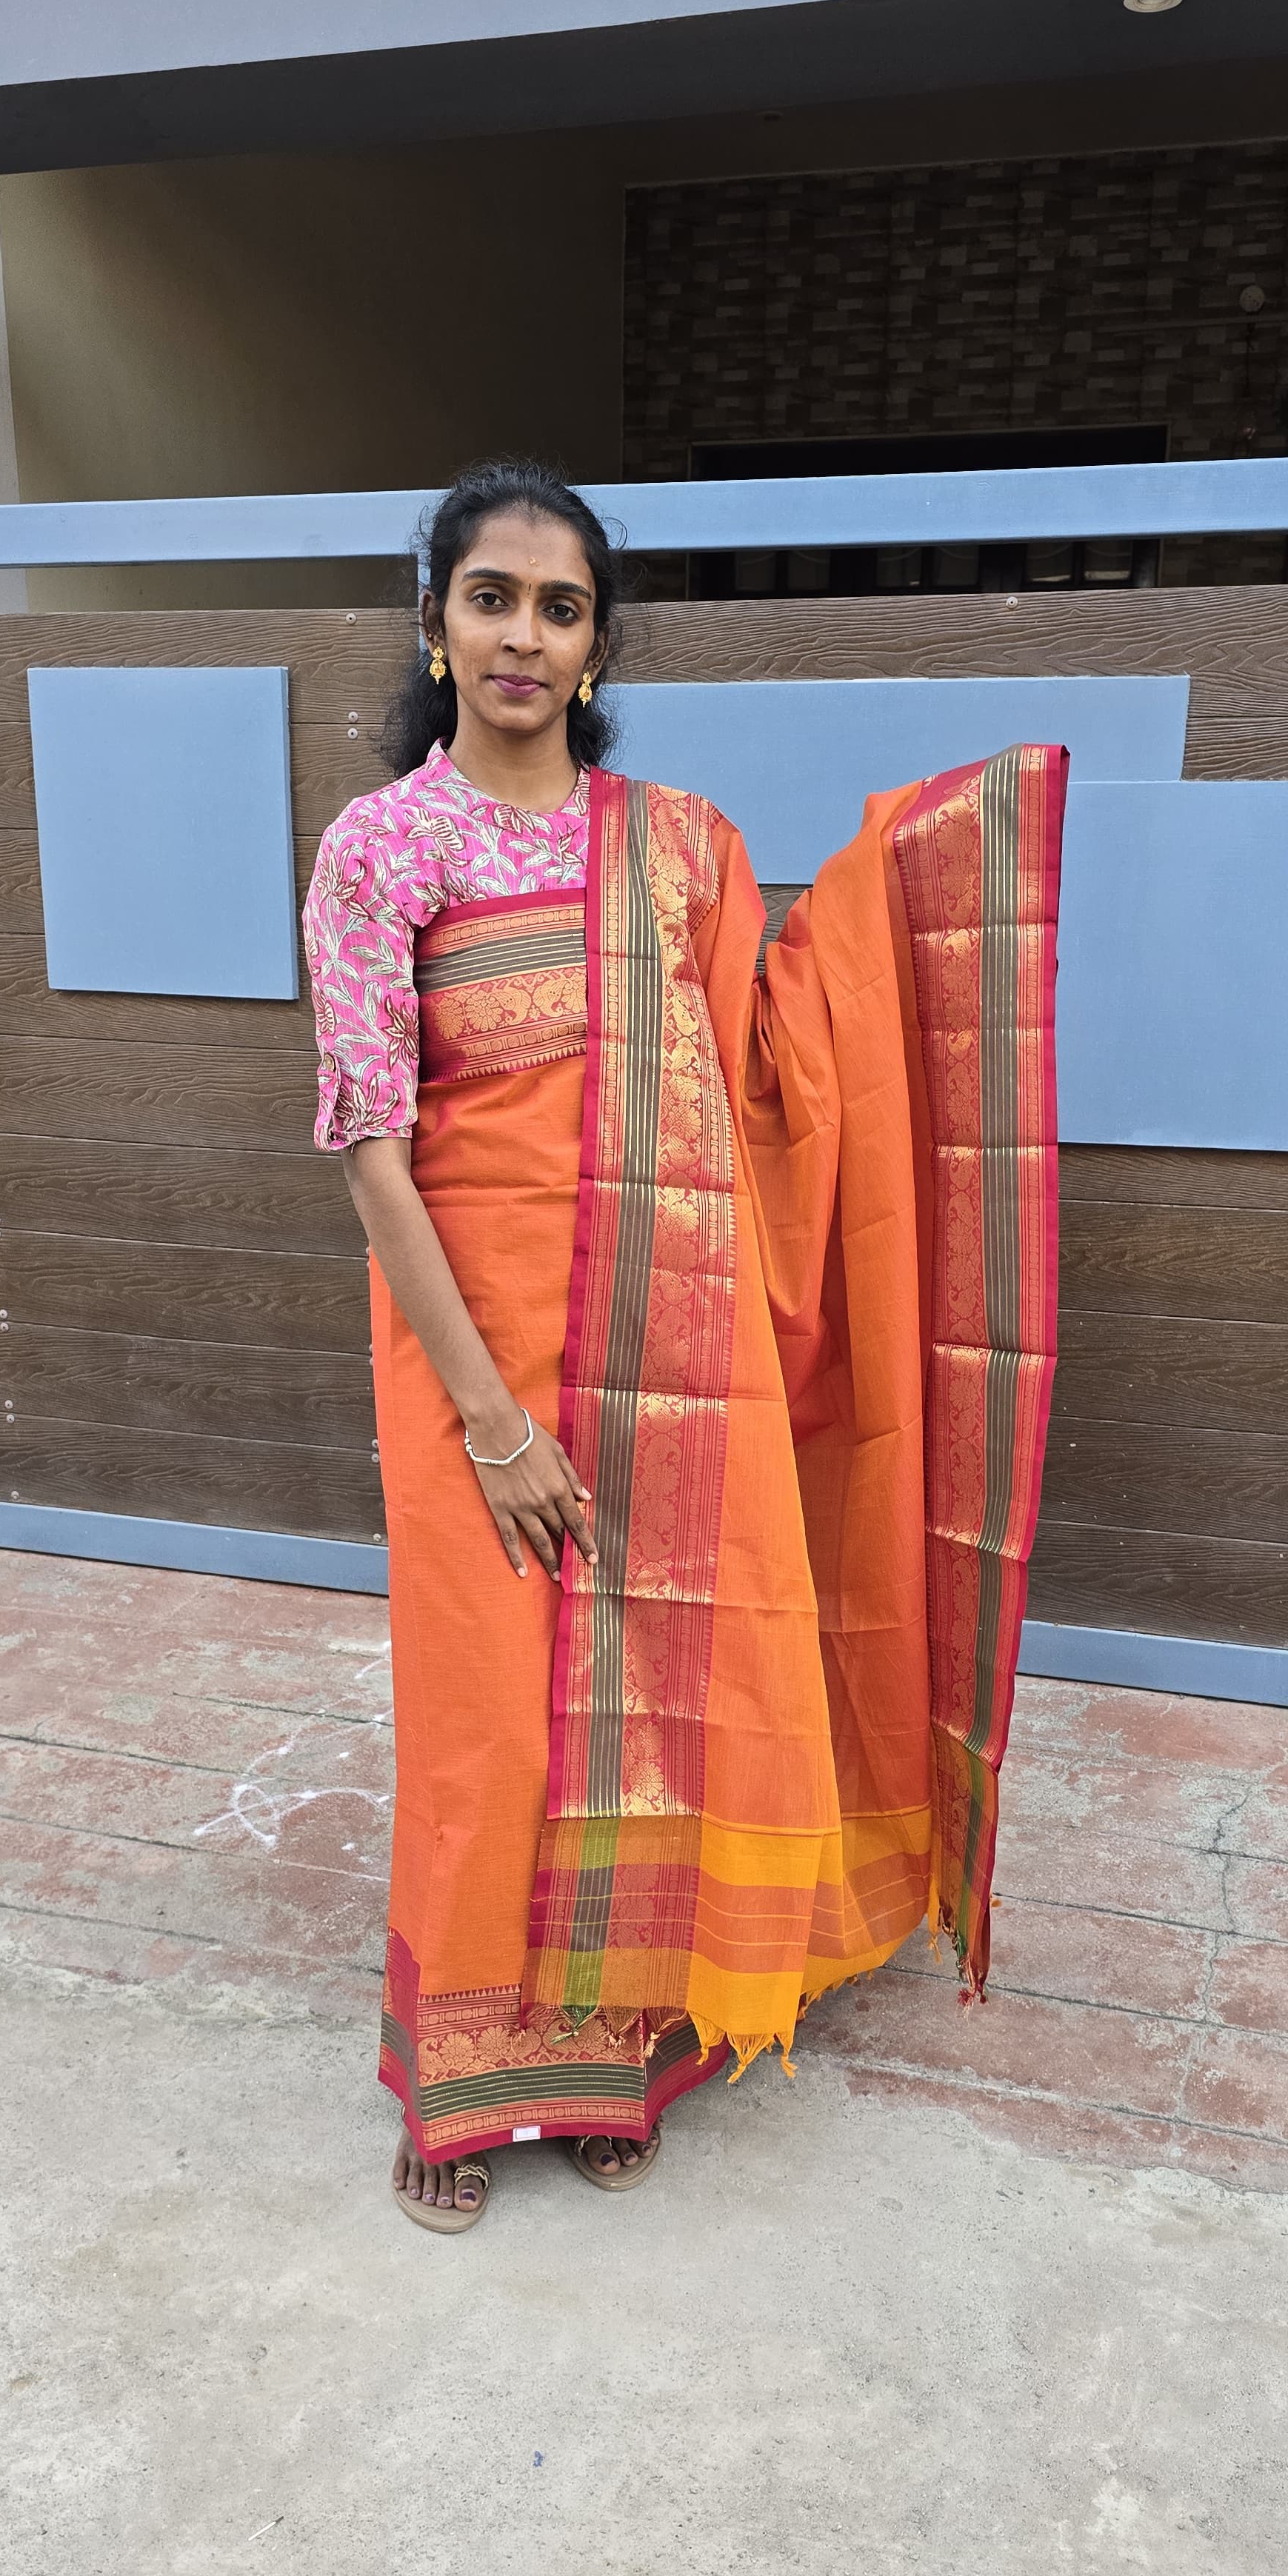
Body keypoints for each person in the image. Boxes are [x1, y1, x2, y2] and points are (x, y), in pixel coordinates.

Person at [302, 458, 1064, 2231]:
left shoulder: (681, 847)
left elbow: (774, 1077)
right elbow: (369, 1145)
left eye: (561, 608)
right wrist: (491, 1419)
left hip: (668, 1348)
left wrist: (925, 888)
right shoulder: (384, 847)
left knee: (646, 1705)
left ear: (596, 647)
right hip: (470, 1356)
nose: (524, 634)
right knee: (491, 1714)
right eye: (493, 597)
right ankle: (463, 2080)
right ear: (435, 625)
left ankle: (614, 2058)